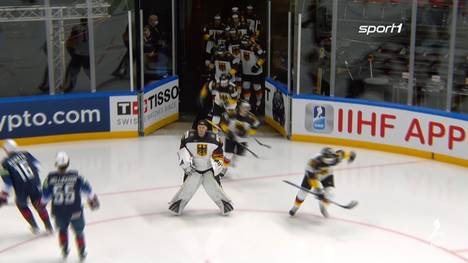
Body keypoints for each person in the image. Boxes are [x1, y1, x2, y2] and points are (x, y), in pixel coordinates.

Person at [40, 152, 100, 260]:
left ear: (56, 164)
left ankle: (64, 249)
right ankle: (81, 251)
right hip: (75, 211)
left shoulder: (49, 178)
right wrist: (92, 199)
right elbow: (89, 190)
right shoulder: (77, 176)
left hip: (59, 212)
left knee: (62, 230)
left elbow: (45, 197)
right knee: (79, 232)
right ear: (68, 163)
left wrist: (42, 204)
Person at [169, 119, 233, 215]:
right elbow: (182, 151)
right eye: (199, 127)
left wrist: (218, 168)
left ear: (207, 129)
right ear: (196, 128)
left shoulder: (215, 139)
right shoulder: (188, 137)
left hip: (209, 170)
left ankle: (225, 205)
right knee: (187, 188)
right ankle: (177, 205)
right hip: (194, 170)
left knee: (215, 189)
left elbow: (218, 153)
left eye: (203, 127)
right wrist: (187, 167)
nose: (201, 129)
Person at [0, 139, 53, 234]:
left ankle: (34, 227)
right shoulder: (26, 154)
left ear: (6, 150)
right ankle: (49, 227)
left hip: (21, 188)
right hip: (35, 183)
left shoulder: (5, 163)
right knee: (39, 205)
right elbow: (38, 165)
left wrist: (4, 195)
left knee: (21, 204)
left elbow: (8, 183)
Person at [289, 147, 356, 218]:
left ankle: (323, 206)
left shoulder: (337, 157)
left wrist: (351, 155)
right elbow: (312, 179)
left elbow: (343, 153)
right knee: (302, 192)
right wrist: (318, 190)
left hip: (327, 175)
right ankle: (295, 207)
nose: (330, 162)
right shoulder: (313, 162)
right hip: (312, 176)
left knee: (330, 193)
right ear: (322, 157)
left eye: (331, 159)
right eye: (327, 160)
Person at [220, 100, 259, 171]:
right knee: (228, 154)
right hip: (230, 137)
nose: (245, 109)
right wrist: (227, 131)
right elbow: (223, 121)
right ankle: (224, 169)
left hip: (243, 139)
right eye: (244, 107)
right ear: (240, 107)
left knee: (238, 155)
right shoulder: (232, 114)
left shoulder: (251, 118)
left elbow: (255, 127)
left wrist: (248, 132)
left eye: (247, 108)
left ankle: (229, 162)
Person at [63, 18, 90, 93]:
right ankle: (97, 87)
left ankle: (69, 88)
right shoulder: (90, 26)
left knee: (72, 72)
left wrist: (71, 51)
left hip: (78, 54)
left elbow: (71, 41)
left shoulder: (76, 28)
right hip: (86, 54)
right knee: (88, 72)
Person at [240, 36, 265, 112]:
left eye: (246, 43)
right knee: (245, 85)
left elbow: (263, 57)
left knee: (256, 86)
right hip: (246, 70)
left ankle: (259, 101)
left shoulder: (255, 47)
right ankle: (246, 102)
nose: (245, 45)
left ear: (249, 42)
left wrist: (257, 65)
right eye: (243, 43)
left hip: (255, 72)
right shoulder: (241, 46)